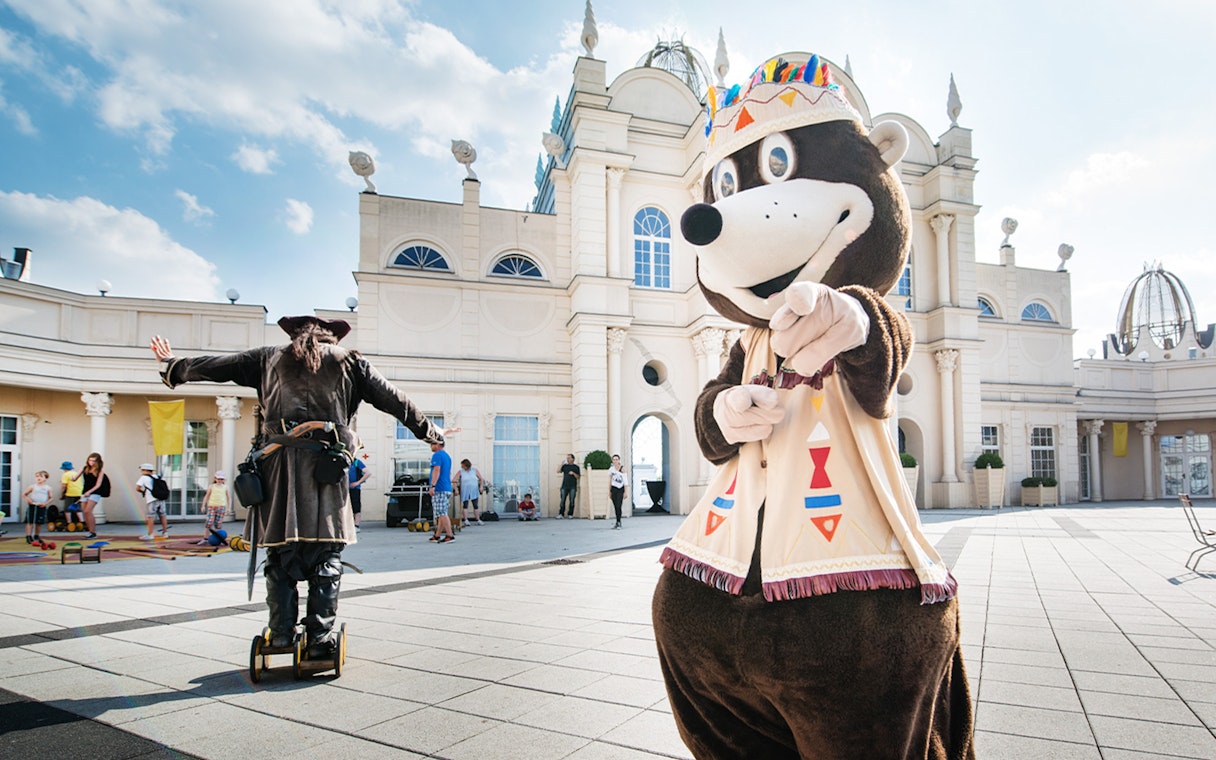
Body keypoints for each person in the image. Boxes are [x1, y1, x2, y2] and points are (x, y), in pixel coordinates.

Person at [150, 316, 451, 656]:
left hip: (277, 469)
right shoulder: (349, 361)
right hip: (327, 467)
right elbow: (396, 400)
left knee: (279, 555)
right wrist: (432, 434)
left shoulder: (268, 357)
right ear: (331, 337)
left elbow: (216, 366)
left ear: (293, 334)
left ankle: (280, 636)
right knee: (325, 555)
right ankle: (320, 642)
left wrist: (173, 367)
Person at [72, 452, 108, 539]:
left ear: (97, 461)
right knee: (85, 512)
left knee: (88, 510)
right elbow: (75, 477)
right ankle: (89, 531)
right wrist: (73, 477)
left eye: (93, 461)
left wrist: (90, 491)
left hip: (95, 492)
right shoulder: (85, 468)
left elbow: (98, 485)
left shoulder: (100, 471)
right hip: (85, 491)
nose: (91, 462)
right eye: (90, 460)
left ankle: (93, 532)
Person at [428, 441, 456, 543]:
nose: (430, 446)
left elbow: (437, 470)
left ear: (438, 445)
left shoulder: (437, 455)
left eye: (432, 444)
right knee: (441, 512)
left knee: (442, 513)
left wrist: (433, 485)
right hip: (446, 487)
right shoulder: (447, 456)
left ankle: (450, 535)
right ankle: (437, 535)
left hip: (439, 488)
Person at [135, 463, 171, 540]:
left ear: (144, 470)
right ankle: (165, 532)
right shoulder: (157, 476)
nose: (141, 471)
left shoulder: (143, 478)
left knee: (150, 516)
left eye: (141, 470)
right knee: (163, 515)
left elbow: (137, 488)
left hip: (151, 499)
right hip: (161, 498)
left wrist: (143, 492)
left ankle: (150, 534)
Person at [196, 471, 231, 546]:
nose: (220, 481)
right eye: (218, 479)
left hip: (221, 506)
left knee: (218, 524)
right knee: (209, 522)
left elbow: (228, 498)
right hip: (212, 506)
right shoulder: (211, 486)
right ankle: (205, 538)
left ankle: (218, 538)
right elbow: (207, 496)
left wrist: (229, 508)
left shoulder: (225, 487)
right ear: (215, 478)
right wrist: (203, 505)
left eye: (221, 479)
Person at [22, 470, 53, 543]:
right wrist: (28, 500)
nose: (38, 478)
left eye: (41, 476)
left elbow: (51, 497)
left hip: (41, 506)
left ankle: (36, 535)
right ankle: (28, 536)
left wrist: (45, 503)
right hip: (32, 505)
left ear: (46, 478)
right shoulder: (32, 486)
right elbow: (24, 494)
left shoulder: (47, 488)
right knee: (30, 521)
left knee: (39, 522)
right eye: (37, 476)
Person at [454, 458, 485, 526]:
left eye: (463, 465)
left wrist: (481, 486)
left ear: (467, 465)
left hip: (474, 490)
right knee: (465, 505)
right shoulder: (461, 471)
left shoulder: (474, 470)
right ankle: (466, 520)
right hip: (465, 490)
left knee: (475, 505)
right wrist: (456, 489)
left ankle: (478, 519)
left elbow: (481, 479)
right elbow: (454, 480)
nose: (462, 467)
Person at [59, 460, 83, 529]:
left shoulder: (65, 475)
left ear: (64, 469)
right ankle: (82, 522)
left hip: (70, 493)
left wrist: (62, 494)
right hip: (79, 493)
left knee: (67, 508)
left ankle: (69, 522)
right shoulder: (76, 473)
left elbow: (64, 486)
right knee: (77, 508)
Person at [347, 457, 369, 531]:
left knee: (356, 507)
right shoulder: (342, 460)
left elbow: (367, 473)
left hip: (354, 489)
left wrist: (357, 483)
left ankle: (356, 526)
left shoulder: (356, 462)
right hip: (344, 489)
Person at [557, 453, 580, 519]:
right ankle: (561, 514)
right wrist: (561, 464)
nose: (568, 459)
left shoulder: (576, 467)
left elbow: (578, 477)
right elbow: (558, 471)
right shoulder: (565, 466)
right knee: (562, 500)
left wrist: (573, 473)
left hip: (572, 486)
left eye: (569, 458)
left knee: (572, 500)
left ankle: (570, 514)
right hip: (564, 486)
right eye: (567, 458)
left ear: (573, 459)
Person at [608, 454, 628, 530]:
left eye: (617, 459)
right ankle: (617, 521)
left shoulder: (623, 469)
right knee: (615, 505)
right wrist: (609, 491)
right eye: (614, 460)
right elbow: (610, 480)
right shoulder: (611, 469)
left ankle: (619, 521)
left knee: (619, 505)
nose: (615, 461)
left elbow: (625, 481)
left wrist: (626, 492)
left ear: (619, 460)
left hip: (620, 488)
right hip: (614, 488)